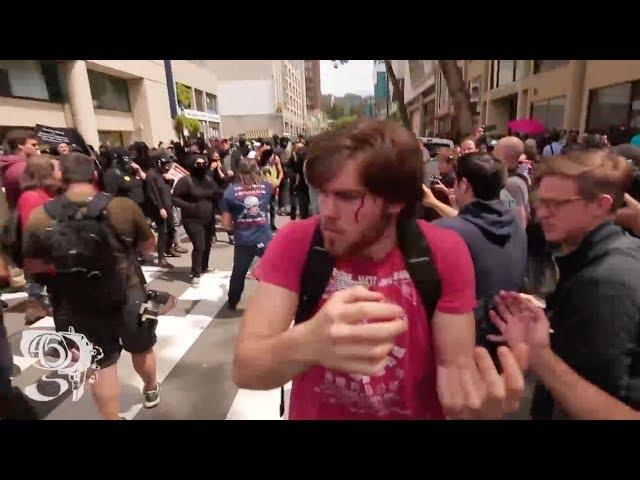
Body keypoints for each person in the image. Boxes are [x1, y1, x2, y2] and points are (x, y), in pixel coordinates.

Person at [233, 119, 526, 420]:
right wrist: (307, 343)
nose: (326, 211)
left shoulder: (442, 251)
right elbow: (246, 368)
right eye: (322, 192)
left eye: (347, 197)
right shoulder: (298, 241)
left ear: (395, 201)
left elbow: (454, 372)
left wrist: (479, 406)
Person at [22, 153, 161, 420]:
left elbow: (33, 266)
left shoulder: (41, 216)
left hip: (77, 302)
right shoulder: (123, 206)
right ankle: (151, 388)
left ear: (60, 176)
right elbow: (148, 246)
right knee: (142, 347)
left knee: (100, 363)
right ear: (94, 175)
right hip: (129, 292)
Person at [504, 150, 640, 420]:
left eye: (556, 204)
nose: (542, 213)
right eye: (540, 203)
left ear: (601, 205)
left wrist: (538, 354)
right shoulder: (618, 253)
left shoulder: (605, 283)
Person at [431, 152, 527, 348]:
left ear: (463, 184)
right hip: (505, 343)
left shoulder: (442, 232)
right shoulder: (518, 229)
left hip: (459, 349)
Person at [17, 154, 63, 324]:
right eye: (59, 169)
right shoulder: (31, 197)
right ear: (46, 173)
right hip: (47, 266)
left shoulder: (52, 194)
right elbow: (37, 235)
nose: (62, 173)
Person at [222, 158, 273, 309]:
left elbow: (225, 222)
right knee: (271, 269)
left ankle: (233, 301)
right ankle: (273, 300)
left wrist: (233, 229)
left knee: (239, 271)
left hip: (243, 239)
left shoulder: (230, 191)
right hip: (264, 237)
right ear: (257, 170)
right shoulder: (266, 187)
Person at [172, 155, 222, 287]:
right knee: (199, 246)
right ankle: (195, 273)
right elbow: (175, 198)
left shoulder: (209, 180)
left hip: (209, 218)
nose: (201, 166)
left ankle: (204, 267)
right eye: (198, 164)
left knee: (207, 245)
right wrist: (189, 206)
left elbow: (217, 193)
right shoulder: (185, 181)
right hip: (192, 219)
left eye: (203, 163)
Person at [144, 151, 179, 268]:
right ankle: (161, 258)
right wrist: (160, 208)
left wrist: (170, 180)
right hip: (160, 209)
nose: (168, 166)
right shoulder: (151, 175)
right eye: (166, 163)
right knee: (162, 232)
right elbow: (152, 194)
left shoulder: (161, 175)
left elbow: (166, 190)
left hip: (168, 206)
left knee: (171, 230)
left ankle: (168, 249)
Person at [493, 136, 529, 228]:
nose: (492, 154)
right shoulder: (518, 178)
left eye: (495, 151)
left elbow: (520, 220)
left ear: (503, 156)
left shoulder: (511, 183)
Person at [0, 129, 39, 210]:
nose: (37, 147)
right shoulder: (22, 168)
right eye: (33, 145)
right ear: (20, 145)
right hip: (29, 214)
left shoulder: (9, 165)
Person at [256, 140, 283, 231]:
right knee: (263, 207)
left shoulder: (275, 158)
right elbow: (253, 161)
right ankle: (264, 225)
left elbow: (281, 172)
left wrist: (278, 181)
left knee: (273, 207)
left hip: (273, 187)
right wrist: (260, 151)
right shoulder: (260, 158)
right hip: (263, 187)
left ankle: (272, 224)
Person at [292, 142, 311, 220]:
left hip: (303, 185)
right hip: (308, 184)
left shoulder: (299, 158)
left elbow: (298, 173)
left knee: (303, 207)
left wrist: (296, 185)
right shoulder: (307, 157)